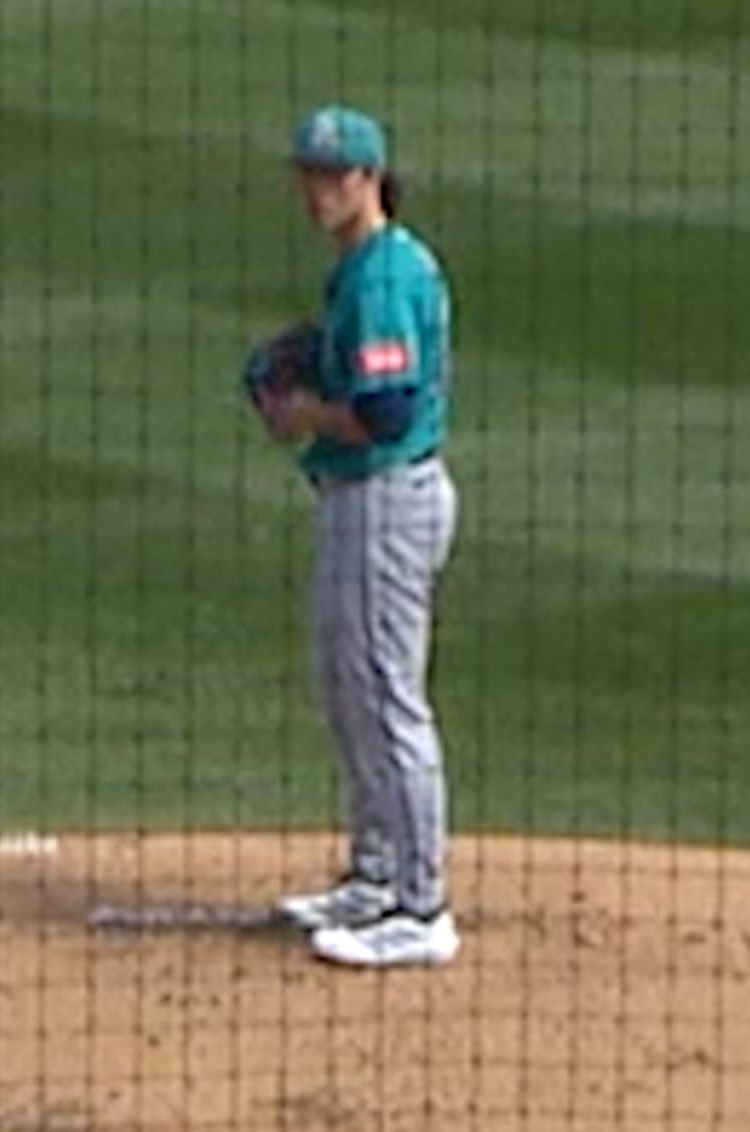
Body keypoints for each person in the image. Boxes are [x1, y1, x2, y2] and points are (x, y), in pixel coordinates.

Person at [259, 105, 460, 968]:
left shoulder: (381, 277)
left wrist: (304, 411)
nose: (317, 191)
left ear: (371, 179)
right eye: (308, 174)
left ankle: (422, 906)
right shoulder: (365, 267)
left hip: (386, 502)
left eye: (334, 176)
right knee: (348, 688)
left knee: (384, 694)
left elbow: (387, 412)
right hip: (365, 499)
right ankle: (376, 876)